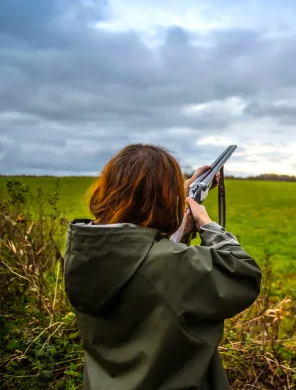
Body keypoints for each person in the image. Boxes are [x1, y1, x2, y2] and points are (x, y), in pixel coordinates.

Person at [63, 144, 262, 389]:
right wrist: (206, 224)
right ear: (166, 199)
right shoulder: (168, 265)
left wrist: (181, 196)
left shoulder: (88, 252)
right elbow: (243, 274)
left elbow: (143, 253)